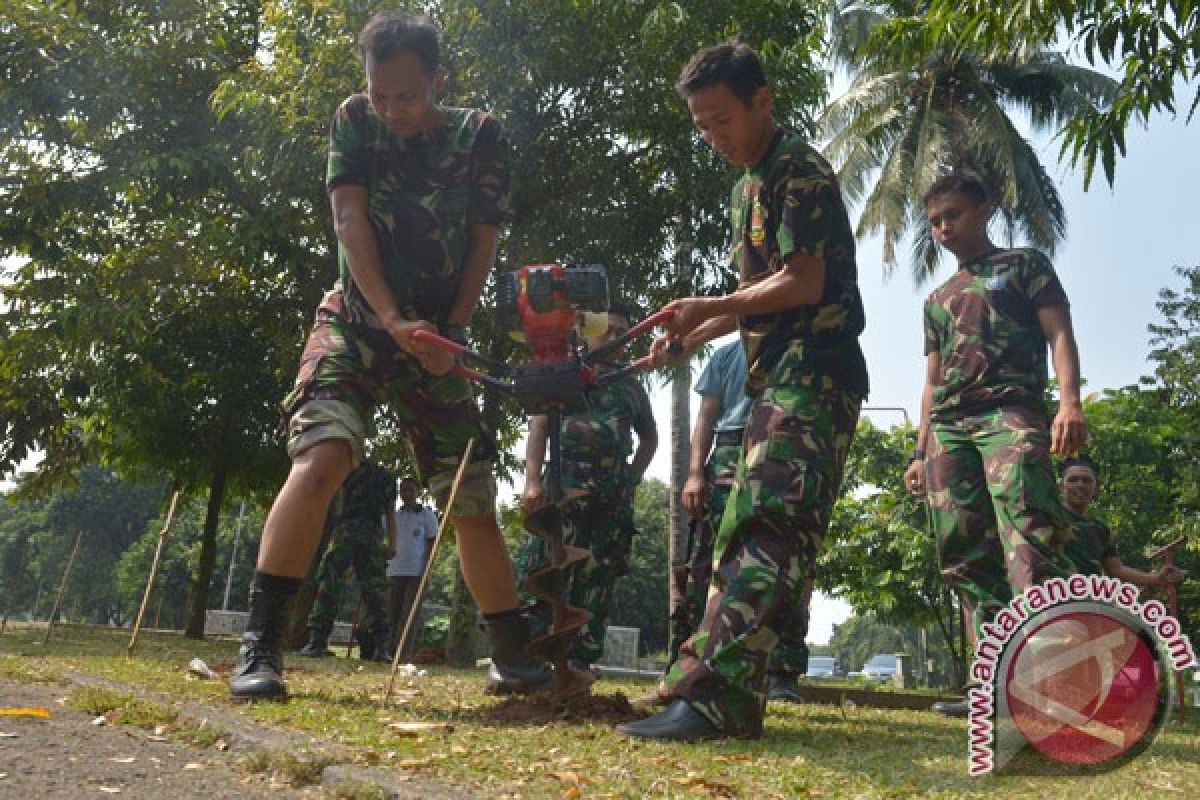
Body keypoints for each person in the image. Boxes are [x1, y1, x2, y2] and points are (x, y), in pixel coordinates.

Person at [229, 10, 550, 701]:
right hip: (355, 322)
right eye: (380, 93)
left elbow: (483, 241)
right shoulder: (354, 121)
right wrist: (391, 317)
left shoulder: (480, 137)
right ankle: (261, 649)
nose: (392, 109)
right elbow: (348, 221)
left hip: (436, 340)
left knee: (468, 495)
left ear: (437, 81)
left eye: (406, 96)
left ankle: (513, 658)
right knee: (323, 457)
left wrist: (450, 332)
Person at [619, 42, 867, 741]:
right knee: (740, 530)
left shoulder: (799, 171)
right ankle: (700, 683)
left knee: (765, 529)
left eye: (721, 120)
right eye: (701, 126)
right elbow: (758, 301)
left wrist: (707, 304)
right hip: (774, 377)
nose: (713, 138)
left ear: (763, 101)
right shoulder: (745, 187)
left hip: (815, 373)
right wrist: (693, 333)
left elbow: (804, 284)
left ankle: (717, 700)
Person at [903, 171, 1085, 717]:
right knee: (963, 553)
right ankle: (993, 687)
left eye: (953, 215)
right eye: (935, 221)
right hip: (950, 429)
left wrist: (1069, 402)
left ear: (984, 209)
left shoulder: (1025, 264)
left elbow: (1059, 333)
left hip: (1011, 412)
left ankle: (1047, 687)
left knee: (1029, 538)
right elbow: (933, 382)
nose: (943, 228)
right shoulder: (938, 299)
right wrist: (919, 451)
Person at [659, 339, 812, 705]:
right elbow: (706, 417)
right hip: (728, 450)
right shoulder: (726, 355)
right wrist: (695, 473)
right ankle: (685, 665)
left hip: (782, 442)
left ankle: (782, 672)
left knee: (785, 561)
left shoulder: (798, 344)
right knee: (705, 564)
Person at [520, 302, 659, 672]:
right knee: (548, 568)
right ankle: (531, 659)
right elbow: (538, 428)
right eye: (608, 330)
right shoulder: (563, 375)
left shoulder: (631, 387)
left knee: (599, 576)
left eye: (622, 334)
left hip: (611, 498)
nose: (615, 339)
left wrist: (632, 478)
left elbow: (650, 439)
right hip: (562, 492)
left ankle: (580, 660)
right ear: (587, 330)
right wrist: (532, 483)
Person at [296, 460, 395, 661]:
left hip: (346, 530)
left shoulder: (345, 468)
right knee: (375, 590)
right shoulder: (385, 477)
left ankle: (317, 641)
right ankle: (382, 648)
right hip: (371, 534)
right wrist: (392, 543)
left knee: (330, 583)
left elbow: (336, 502)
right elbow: (390, 513)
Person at [1061, 457, 1187, 586]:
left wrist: (1157, 578)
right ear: (1060, 486)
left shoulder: (1100, 529)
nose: (1080, 485)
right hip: (1049, 597)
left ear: (1096, 487)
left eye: (1086, 481)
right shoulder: (1048, 518)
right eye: (1073, 480)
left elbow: (1116, 570)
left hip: (1087, 598)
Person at [387, 477, 440, 659]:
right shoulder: (394, 516)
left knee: (408, 615)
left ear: (419, 493)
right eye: (403, 490)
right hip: (394, 570)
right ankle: (388, 651)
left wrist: (427, 568)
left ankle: (403, 654)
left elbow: (433, 542)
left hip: (417, 571)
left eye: (410, 490)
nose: (406, 494)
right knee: (392, 613)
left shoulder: (427, 515)